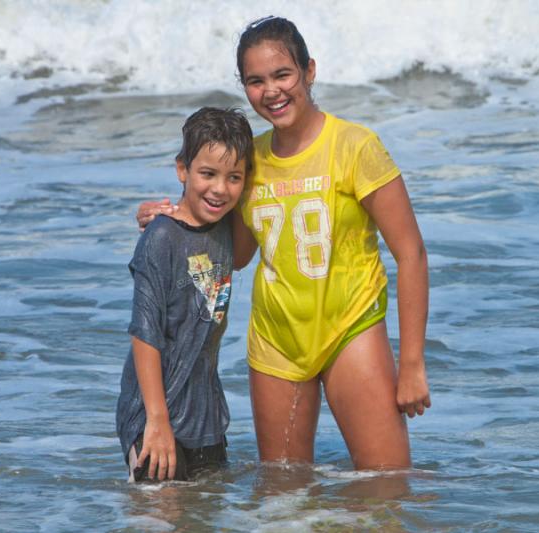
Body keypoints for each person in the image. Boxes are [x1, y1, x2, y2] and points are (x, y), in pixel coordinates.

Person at [137, 16, 430, 471]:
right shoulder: (249, 159)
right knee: (284, 501)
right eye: (255, 81)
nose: (271, 90)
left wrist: (411, 363)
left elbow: (411, 252)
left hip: (350, 330)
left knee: (384, 491)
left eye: (282, 74)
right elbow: (232, 254)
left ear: (308, 71)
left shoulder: (355, 146)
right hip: (275, 341)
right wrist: (170, 221)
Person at [118, 106, 254, 481]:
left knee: (202, 514)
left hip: (205, 414)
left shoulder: (226, 229)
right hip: (153, 411)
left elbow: (242, 257)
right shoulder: (161, 238)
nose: (220, 188)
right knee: (162, 515)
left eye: (234, 178)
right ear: (183, 170)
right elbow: (145, 333)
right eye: (207, 174)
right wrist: (157, 421)